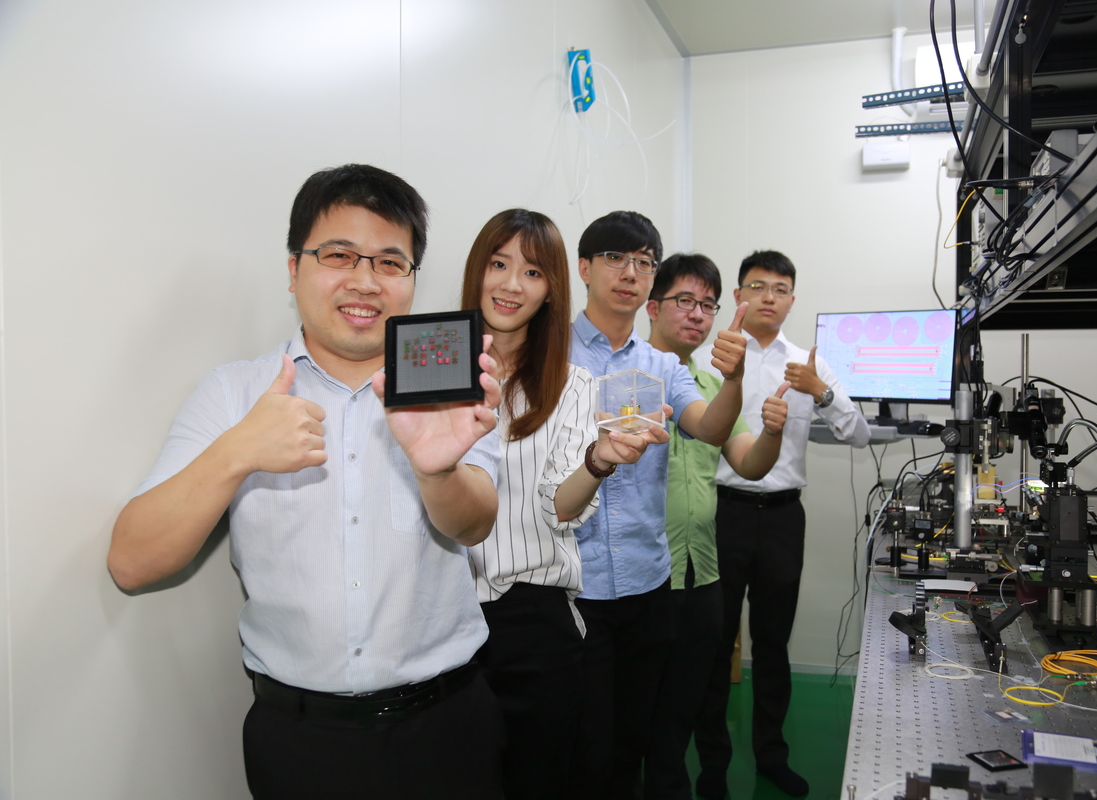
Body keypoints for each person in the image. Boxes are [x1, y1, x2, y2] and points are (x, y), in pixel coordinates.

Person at [107, 164, 505, 800]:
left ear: (410, 280)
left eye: (389, 262)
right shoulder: (234, 393)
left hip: (447, 724)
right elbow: (131, 562)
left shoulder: (451, 388)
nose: (364, 280)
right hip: (299, 743)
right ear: (293, 270)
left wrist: (438, 471)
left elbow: (475, 521)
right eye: (339, 254)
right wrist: (237, 451)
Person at [460, 209, 667, 800]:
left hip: (533, 618)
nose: (511, 284)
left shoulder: (571, 385)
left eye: (532, 271)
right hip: (444, 614)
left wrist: (599, 462)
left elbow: (560, 505)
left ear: (553, 287)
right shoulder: (433, 369)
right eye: (498, 265)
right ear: (477, 271)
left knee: (540, 778)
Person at [567, 211, 747, 800]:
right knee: (583, 747)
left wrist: (735, 379)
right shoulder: (550, 356)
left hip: (648, 584)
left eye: (644, 262)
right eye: (616, 258)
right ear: (585, 267)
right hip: (574, 587)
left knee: (635, 741)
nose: (630, 273)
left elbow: (711, 427)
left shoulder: (662, 365)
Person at [695, 249, 869, 799]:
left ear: (793, 299)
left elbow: (859, 435)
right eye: (757, 286)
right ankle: (713, 768)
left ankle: (771, 756)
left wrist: (821, 391)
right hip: (721, 512)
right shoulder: (714, 355)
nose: (768, 297)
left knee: (773, 644)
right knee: (715, 644)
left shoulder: (808, 365)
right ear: (740, 296)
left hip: (782, 518)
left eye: (780, 288)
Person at [642, 253, 790, 800]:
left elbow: (748, 462)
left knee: (683, 710)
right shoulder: (621, 379)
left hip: (700, 575)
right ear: (652, 307)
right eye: (685, 301)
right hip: (641, 580)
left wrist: (773, 432)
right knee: (633, 720)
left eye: (708, 304)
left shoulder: (710, 381)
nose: (699, 315)